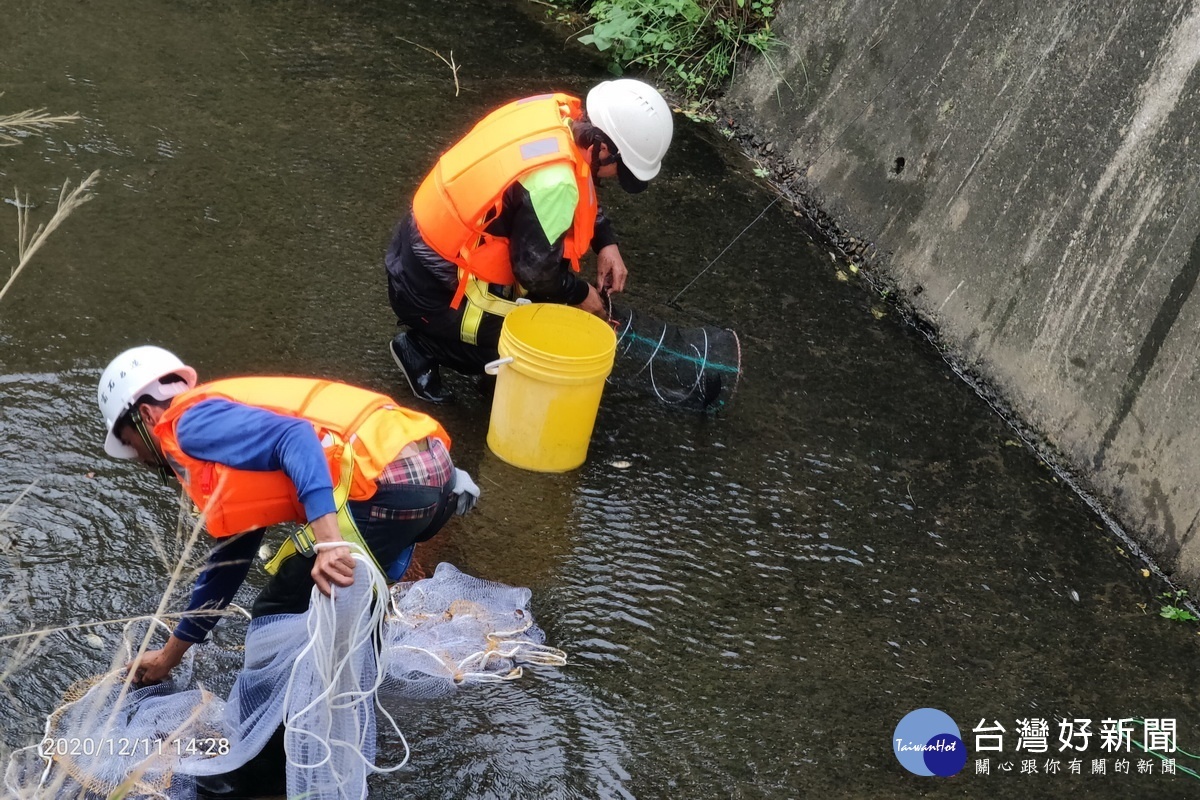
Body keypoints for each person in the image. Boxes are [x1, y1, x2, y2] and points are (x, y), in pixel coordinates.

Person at [96, 344, 480, 682]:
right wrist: (170, 655)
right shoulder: (227, 424)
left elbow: (295, 436)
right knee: (342, 603)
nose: (142, 459)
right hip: (432, 473)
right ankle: (349, 687)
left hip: (389, 490)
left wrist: (329, 541)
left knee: (278, 611)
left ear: (147, 417)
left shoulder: (188, 424)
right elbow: (228, 564)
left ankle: (270, 734)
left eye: (132, 445)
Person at [385, 78, 674, 403]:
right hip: (433, 289)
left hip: (420, 251)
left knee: (548, 297)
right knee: (549, 343)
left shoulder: (556, 118)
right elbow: (536, 272)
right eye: (620, 169)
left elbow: (577, 184)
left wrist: (606, 240)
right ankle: (422, 349)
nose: (616, 177)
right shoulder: (554, 183)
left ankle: (481, 357)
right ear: (602, 148)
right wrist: (582, 294)